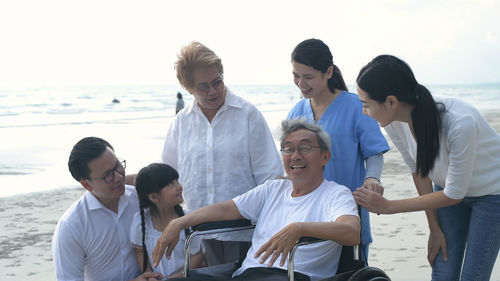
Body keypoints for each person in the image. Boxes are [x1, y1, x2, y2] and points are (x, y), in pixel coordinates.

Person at [152, 119, 360, 281]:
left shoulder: (335, 194)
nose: (295, 156)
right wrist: (179, 222)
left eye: (305, 148)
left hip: (292, 276)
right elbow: (225, 209)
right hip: (247, 274)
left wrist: (299, 228)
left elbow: (351, 233)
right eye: (288, 149)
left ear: (325, 157)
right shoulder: (273, 188)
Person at [353, 54, 500, 281]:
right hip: (446, 191)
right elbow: (419, 170)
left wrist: (389, 206)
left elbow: (454, 194)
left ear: (391, 101)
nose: (364, 112)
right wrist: (434, 228)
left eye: (366, 105)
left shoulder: (460, 123)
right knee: (443, 271)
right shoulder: (394, 120)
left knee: (473, 277)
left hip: (491, 194)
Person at [158, 41, 284, 265]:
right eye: (203, 86)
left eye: (217, 82)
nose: (213, 91)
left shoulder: (248, 115)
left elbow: (270, 178)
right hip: (196, 235)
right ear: (188, 88)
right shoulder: (181, 122)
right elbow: (168, 176)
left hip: (243, 231)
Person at [287, 38, 389, 260]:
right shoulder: (297, 111)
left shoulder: (355, 107)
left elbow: (374, 152)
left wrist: (373, 179)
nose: (301, 82)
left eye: (308, 76)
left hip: (346, 213)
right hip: (308, 212)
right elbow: (290, 161)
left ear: (328, 72)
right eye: (296, 75)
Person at [51, 137, 163, 281]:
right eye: (107, 175)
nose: (118, 177)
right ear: (87, 185)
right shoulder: (71, 226)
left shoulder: (140, 198)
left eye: (118, 165)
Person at [131, 163, 204, 278]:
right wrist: (150, 275)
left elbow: (197, 254)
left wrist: (179, 277)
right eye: (171, 184)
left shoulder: (187, 219)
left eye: (177, 181)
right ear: (154, 197)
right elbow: (140, 251)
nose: (179, 186)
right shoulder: (140, 222)